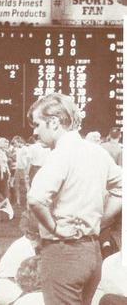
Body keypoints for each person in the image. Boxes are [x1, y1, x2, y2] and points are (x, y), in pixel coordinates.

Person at [27, 93, 123, 305]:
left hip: (64, 250)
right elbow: (121, 189)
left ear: (53, 122)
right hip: (92, 252)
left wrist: (55, 228)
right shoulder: (97, 152)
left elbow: (35, 199)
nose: (34, 131)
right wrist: (102, 219)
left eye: (36, 124)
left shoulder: (60, 154)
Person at [0, 211, 40, 304]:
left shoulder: (33, 245)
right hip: (11, 289)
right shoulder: (22, 247)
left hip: (22, 287)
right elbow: (24, 279)